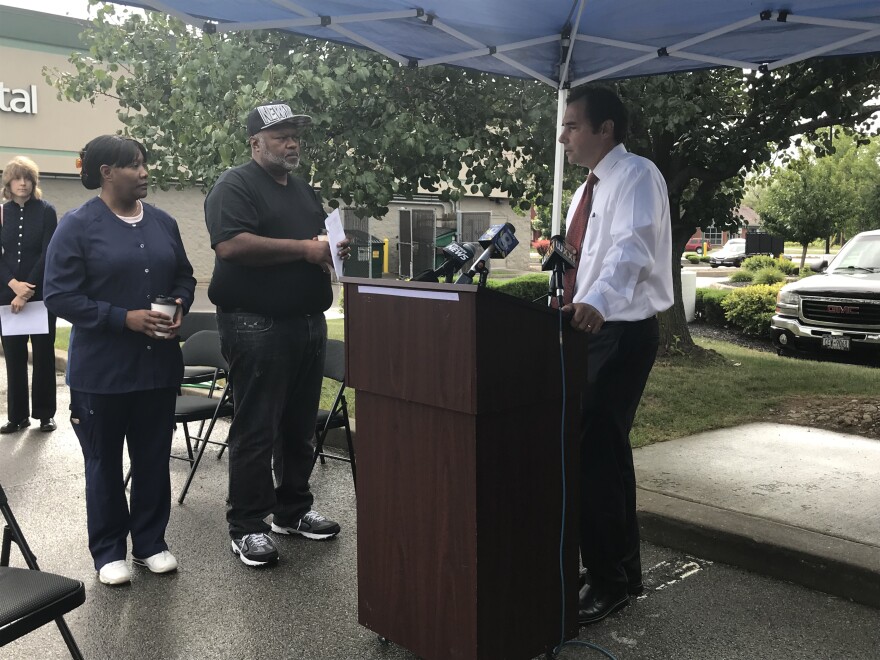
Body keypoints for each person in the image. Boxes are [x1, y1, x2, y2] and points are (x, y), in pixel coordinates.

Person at [44, 135, 196, 586]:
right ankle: (108, 549)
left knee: (152, 458)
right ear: (106, 172)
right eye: (134, 164)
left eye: (145, 162)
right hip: (103, 373)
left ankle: (150, 544)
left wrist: (181, 303)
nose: (144, 171)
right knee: (104, 462)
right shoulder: (76, 225)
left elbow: (185, 275)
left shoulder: (165, 223)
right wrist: (121, 318)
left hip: (157, 368)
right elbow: (58, 295)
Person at [205, 101, 350, 567]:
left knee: (299, 426)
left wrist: (332, 250)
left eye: (295, 135)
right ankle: (247, 525)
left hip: (307, 322)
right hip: (255, 323)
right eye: (281, 135)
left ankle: (292, 511)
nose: (291, 143)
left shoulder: (303, 190)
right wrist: (308, 251)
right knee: (257, 427)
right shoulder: (236, 185)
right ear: (255, 143)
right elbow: (231, 244)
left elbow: (314, 243)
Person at [557, 85, 673, 624]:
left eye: (573, 126)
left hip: (620, 333)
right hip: (587, 327)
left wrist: (597, 301)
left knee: (597, 456)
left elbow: (633, 248)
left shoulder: (636, 176)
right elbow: (581, 253)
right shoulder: (587, 190)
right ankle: (616, 570)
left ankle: (610, 582)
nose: (564, 136)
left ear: (605, 129)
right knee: (596, 454)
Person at [0, 157, 58, 433]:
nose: (22, 183)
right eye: (17, 178)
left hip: (40, 296)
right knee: (14, 355)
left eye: (27, 178)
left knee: (44, 353)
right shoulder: (1, 212)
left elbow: (49, 253)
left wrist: (27, 289)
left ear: (34, 181)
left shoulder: (47, 211)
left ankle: (45, 414)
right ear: (8, 182)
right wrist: (13, 285)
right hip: (6, 296)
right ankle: (17, 416)